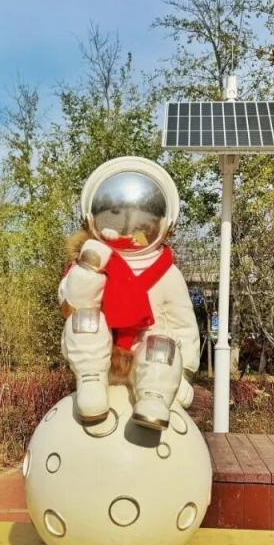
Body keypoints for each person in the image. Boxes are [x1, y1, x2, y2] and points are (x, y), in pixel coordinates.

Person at [59, 157, 200, 430]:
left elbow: (183, 324)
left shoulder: (167, 272)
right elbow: (72, 305)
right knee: (85, 321)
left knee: (161, 343)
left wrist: (184, 373)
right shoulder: (87, 261)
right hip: (98, 359)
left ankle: (154, 394)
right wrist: (89, 268)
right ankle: (91, 382)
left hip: (145, 356)